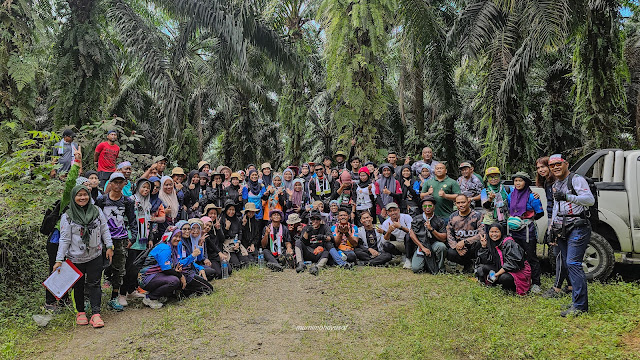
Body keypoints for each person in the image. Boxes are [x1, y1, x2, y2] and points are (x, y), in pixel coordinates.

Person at [53, 185, 113, 328]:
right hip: (75, 258)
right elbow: (65, 239)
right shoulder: (67, 216)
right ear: (74, 198)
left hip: (95, 254)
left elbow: (105, 229)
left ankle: (96, 314)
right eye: (79, 195)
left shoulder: (97, 211)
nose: (82, 198)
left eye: (85, 195)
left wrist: (109, 246)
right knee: (78, 286)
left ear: (89, 196)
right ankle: (80, 312)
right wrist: (59, 259)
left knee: (95, 283)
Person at [548, 154, 595, 317]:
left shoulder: (576, 179)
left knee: (573, 263)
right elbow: (556, 207)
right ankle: (577, 300)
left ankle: (580, 306)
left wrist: (568, 196)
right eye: (552, 165)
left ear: (566, 164)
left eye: (558, 164)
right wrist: (551, 229)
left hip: (578, 226)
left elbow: (590, 200)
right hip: (561, 227)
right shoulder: (555, 184)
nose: (555, 167)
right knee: (569, 265)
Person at [95, 172, 137, 311]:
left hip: (121, 239)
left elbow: (132, 220)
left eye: (121, 182)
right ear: (110, 184)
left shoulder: (127, 201)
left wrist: (133, 237)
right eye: (115, 182)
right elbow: (96, 219)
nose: (118, 185)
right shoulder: (102, 200)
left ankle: (114, 297)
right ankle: (93, 297)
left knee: (119, 269)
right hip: (103, 239)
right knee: (97, 268)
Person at [536, 157, 571, 299]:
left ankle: (556, 288)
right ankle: (570, 286)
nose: (541, 170)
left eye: (543, 167)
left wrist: (553, 227)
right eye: (538, 168)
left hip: (560, 221)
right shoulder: (547, 183)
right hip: (554, 219)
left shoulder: (556, 182)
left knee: (558, 254)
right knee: (561, 253)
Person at [507, 172, 544, 293]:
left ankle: (536, 283)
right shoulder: (511, 195)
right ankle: (521, 280)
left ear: (526, 183)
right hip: (514, 230)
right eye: (516, 181)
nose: (517, 183)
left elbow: (540, 213)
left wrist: (526, 220)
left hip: (527, 230)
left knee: (531, 256)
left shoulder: (532, 196)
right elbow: (508, 208)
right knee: (516, 255)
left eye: (520, 181)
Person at [120, 178, 155, 301]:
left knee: (136, 269)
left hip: (142, 242)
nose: (145, 190)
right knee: (128, 268)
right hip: (132, 240)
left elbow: (148, 222)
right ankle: (122, 294)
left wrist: (150, 238)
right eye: (143, 187)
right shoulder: (131, 201)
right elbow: (125, 220)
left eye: (148, 188)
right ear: (138, 188)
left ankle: (131, 290)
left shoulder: (147, 204)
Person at [475, 223, 531, 295]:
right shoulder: (490, 242)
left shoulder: (509, 243)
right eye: (491, 232)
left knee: (504, 278)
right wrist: (484, 246)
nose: (494, 234)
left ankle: (511, 289)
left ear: (501, 232)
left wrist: (497, 274)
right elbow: (487, 260)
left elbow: (512, 264)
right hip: (501, 267)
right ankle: (496, 283)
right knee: (484, 268)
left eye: (496, 232)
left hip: (516, 270)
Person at [446, 194, 484, 271]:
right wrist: (456, 246)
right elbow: (449, 234)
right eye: (458, 203)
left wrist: (465, 242)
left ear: (468, 202)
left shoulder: (478, 215)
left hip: (473, 245)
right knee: (450, 252)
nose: (461, 205)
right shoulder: (453, 216)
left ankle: (476, 265)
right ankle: (467, 264)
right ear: (455, 204)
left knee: (481, 244)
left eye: (463, 202)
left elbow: (482, 234)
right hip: (459, 246)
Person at [410, 196, 447, 274]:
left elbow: (443, 238)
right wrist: (422, 247)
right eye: (425, 206)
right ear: (422, 207)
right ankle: (427, 264)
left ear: (434, 207)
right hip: (421, 246)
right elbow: (412, 235)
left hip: (434, 245)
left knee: (441, 246)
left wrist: (432, 229)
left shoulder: (439, 220)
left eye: (430, 205)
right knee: (416, 269)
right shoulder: (416, 219)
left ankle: (441, 268)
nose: (427, 208)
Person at [294, 210, 332, 275]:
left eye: (317, 219)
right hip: (309, 251)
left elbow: (331, 238)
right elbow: (303, 241)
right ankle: (300, 263)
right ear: (311, 220)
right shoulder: (306, 227)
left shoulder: (325, 227)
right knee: (298, 242)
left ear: (320, 220)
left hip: (319, 252)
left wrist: (322, 237)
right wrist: (307, 231)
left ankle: (317, 267)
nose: (315, 221)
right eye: (313, 219)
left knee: (326, 252)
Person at [380, 202, 414, 269]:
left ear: (398, 210)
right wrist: (388, 232)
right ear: (387, 213)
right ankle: (400, 257)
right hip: (399, 244)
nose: (393, 213)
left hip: (411, 243)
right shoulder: (386, 223)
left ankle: (408, 258)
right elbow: (383, 241)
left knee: (408, 236)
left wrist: (401, 227)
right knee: (387, 245)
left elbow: (412, 232)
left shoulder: (407, 217)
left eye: (394, 210)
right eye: (390, 211)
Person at [480, 167, 510, 232]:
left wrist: (532, 193)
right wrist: (490, 200)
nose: (493, 179)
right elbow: (485, 207)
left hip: (506, 221)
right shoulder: (485, 191)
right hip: (490, 222)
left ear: (499, 177)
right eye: (490, 177)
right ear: (487, 179)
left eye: (496, 176)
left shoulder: (507, 189)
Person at [221, 200, 248, 268]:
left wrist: (238, 242)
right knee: (236, 265)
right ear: (226, 210)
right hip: (227, 244)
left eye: (233, 210)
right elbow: (221, 237)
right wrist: (226, 228)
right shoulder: (222, 220)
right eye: (229, 209)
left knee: (246, 262)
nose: (231, 212)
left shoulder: (237, 220)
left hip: (236, 243)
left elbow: (240, 232)